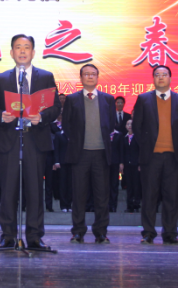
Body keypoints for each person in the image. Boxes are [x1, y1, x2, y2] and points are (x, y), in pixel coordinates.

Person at [0, 34, 62, 250]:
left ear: (33, 52)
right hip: (9, 142)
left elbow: (56, 107)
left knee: (35, 191)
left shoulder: (46, 77)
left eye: (26, 47)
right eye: (18, 47)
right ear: (11, 52)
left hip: (36, 142)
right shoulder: (2, 78)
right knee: (8, 190)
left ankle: (35, 237)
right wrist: (1, 116)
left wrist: (42, 117)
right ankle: (8, 236)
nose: (22, 51)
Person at [132, 65, 178, 245]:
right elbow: (137, 127)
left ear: (170, 78)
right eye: (157, 75)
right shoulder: (143, 99)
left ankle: (170, 233)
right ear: (153, 78)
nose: (161, 77)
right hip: (151, 157)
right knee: (149, 197)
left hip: (173, 157)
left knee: (172, 197)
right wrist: (146, 146)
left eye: (164, 74)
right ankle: (148, 233)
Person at [62, 64, 116, 244]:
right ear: (81, 78)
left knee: (102, 196)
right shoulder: (72, 99)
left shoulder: (108, 99)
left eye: (93, 74)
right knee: (79, 195)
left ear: (98, 77)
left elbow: (111, 124)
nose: (90, 77)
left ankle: (101, 232)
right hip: (80, 154)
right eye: (86, 74)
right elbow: (67, 125)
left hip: (101, 154)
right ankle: (78, 231)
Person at [52, 113, 72, 212]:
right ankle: (63, 205)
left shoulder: (73, 135)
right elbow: (56, 149)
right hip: (62, 163)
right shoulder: (58, 135)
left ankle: (69, 205)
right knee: (63, 184)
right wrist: (56, 161)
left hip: (72, 162)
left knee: (71, 184)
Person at [121, 119, 141, 213]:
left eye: (131, 124)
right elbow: (122, 152)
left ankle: (136, 204)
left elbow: (140, 151)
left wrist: (140, 163)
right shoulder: (124, 138)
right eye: (128, 124)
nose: (130, 126)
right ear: (125, 126)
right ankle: (129, 205)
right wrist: (122, 163)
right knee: (129, 185)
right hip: (127, 165)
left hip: (136, 164)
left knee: (136, 185)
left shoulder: (137, 138)